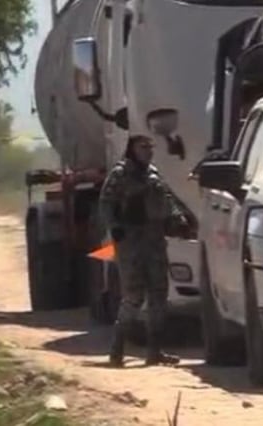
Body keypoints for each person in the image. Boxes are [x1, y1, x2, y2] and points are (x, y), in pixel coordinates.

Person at [99, 134, 189, 367]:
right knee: (134, 296)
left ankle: (154, 351)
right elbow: (106, 203)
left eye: (150, 147)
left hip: (154, 241)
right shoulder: (120, 174)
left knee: (159, 295)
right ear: (132, 149)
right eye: (143, 147)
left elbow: (167, 199)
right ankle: (117, 348)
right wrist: (115, 227)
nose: (148, 151)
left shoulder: (153, 174)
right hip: (131, 243)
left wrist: (178, 218)